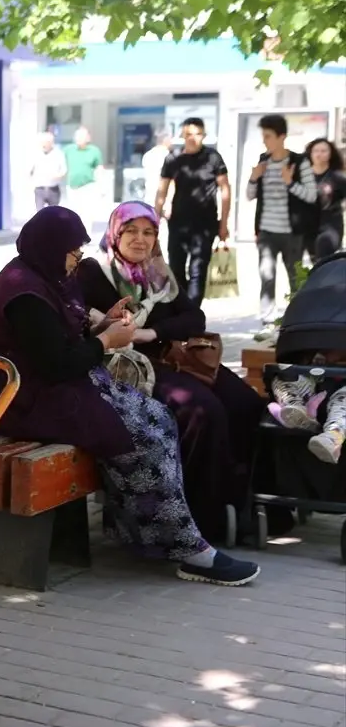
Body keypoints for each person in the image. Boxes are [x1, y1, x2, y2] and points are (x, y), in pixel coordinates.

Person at [0, 205, 259, 585]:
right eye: (73, 253)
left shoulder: (43, 277)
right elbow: (58, 363)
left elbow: (64, 345)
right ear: (51, 247)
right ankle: (188, 549)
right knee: (141, 440)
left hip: (60, 390)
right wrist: (109, 340)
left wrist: (103, 326)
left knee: (159, 418)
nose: (77, 261)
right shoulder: (23, 292)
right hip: (30, 403)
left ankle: (148, 533)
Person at [78, 201, 266, 544]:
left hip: (170, 355)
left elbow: (195, 319)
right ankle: (197, 522)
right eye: (131, 231)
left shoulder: (158, 273)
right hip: (128, 367)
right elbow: (80, 321)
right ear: (115, 234)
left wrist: (152, 332)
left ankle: (239, 503)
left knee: (246, 404)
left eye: (148, 232)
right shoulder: (93, 272)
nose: (140, 240)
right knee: (202, 411)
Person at [247, 114, 319, 328]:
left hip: (292, 231)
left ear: (281, 137)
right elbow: (250, 195)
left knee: (295, 277)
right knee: (266, 275)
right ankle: (268, 319)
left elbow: (311, 195)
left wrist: (289, 183)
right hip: (267, 231)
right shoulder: (263, 161)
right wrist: (254, 177)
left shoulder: (299, 162)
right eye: (263, 136)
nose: (265, 140)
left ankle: (297, 319)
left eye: (268, 136)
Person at [155, 118, 232, 307]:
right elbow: (162, 190)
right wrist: (154, 220)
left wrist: (224, 224)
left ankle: (193, 311)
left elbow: (225, 189)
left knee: (198, 269)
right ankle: (182, 310)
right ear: (182, 135)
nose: (192, 138)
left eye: (197, 134)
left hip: (205, 224)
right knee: (176, 269)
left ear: (204, 135)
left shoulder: (213, 157)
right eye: (188, 134)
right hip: (178, 223)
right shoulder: (173, 158)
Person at [306, 137, 346, 260]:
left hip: (331, 225)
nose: (319, 154)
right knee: (314, 262)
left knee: (324, 248)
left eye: (324, 151)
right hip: (308, 227)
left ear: (330, 154)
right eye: (316, 151)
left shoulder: (338, 178)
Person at [63, 126, 103, 235]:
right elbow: (60, 163)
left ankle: (85, 235)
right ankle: (73, 234)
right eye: (77, 136)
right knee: (73, 212)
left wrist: (101, 187)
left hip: (88, 186)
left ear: (88, 138)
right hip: (72, 186)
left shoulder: (94, 151)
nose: (79, 138)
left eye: (82, 136)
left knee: (86, 212)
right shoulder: (68, 150)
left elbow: (99, 168)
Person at [29, 131, 67, 210]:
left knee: (53, 214)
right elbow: (30, 170)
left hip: (53, 189)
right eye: (42, 142)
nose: (44, 144)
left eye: (46, 142)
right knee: (39, 214)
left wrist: (57, 176)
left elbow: (64, 170)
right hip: (40, 189)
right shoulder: (36, 153)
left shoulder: (58, 154)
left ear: (51, 143)